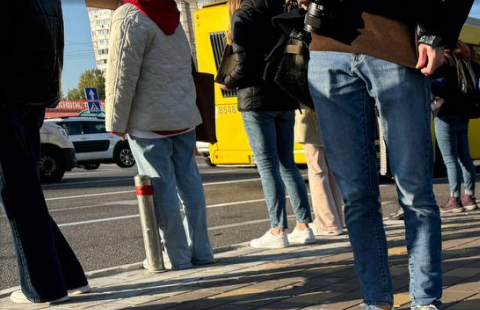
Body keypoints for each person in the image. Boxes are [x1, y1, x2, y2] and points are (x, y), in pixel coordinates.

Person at [306, 0, 470, 310]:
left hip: (398, 43)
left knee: (415, 190)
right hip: (327, 46)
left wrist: (438, 34)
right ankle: (377, 306)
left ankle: (425, 304)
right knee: (356, 196)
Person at [106, 0, 214, 271]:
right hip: (185, 116)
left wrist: (115, 122)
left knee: (161, 188)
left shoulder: (129, 15)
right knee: (190, 184)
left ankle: (176, 256)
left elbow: (121, 74)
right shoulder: (173, 15)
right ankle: (201, 250)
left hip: (149, 121)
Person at [2, 0, 89, 304]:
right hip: (36, 91)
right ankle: (68, 275)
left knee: (17, 190)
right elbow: (58, 40)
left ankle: (44, 286)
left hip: (7, 91)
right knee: (25, 187)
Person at [224, 0, 313, 249]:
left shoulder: (243, 16)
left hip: (255, 98)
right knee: (287, 163)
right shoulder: (282, 9)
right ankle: (304, 225)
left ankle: (277, 229)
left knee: (266, 164)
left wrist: (227, 82)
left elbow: (242, 65)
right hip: (284, 95)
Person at [432, 41, 480, 214]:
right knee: (464, 156)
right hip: (463, 114)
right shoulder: (465, 62)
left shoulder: (444, 62)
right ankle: (469, 196)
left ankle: (454, 199)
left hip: (444, 114)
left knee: (449, 158)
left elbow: (437, 86)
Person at [296, 108, 344, 235]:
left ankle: (327, 223)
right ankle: (337, 219)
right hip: (327, 116)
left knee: (317, 170)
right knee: (329, 171)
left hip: (309, 116)